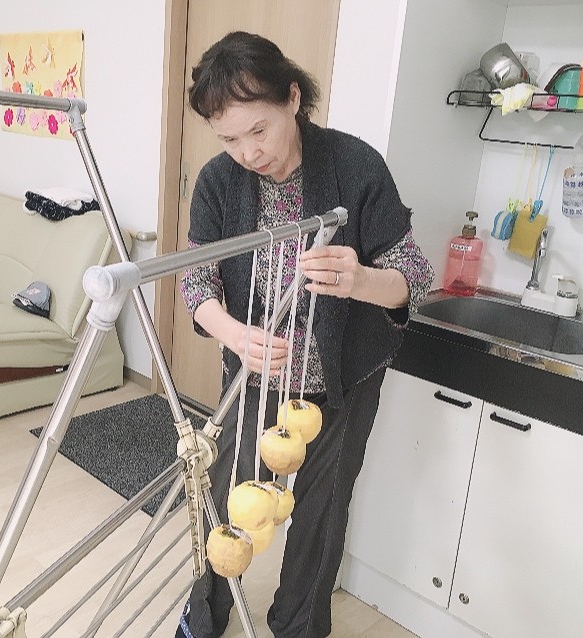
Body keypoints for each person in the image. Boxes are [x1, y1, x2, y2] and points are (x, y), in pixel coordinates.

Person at [176, 32, 434, 638]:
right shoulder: (218, 182)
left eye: (259, 130)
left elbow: (414, 278)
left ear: (293, 98)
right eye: (230, 139)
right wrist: (234, 335)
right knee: (231, 503)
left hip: (343, 380)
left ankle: (299, 626)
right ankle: (206, 612)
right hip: (254, 373)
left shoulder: (355, 166)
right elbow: (196, 281)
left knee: (321, 515)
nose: (248, 152)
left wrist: (361, 279)